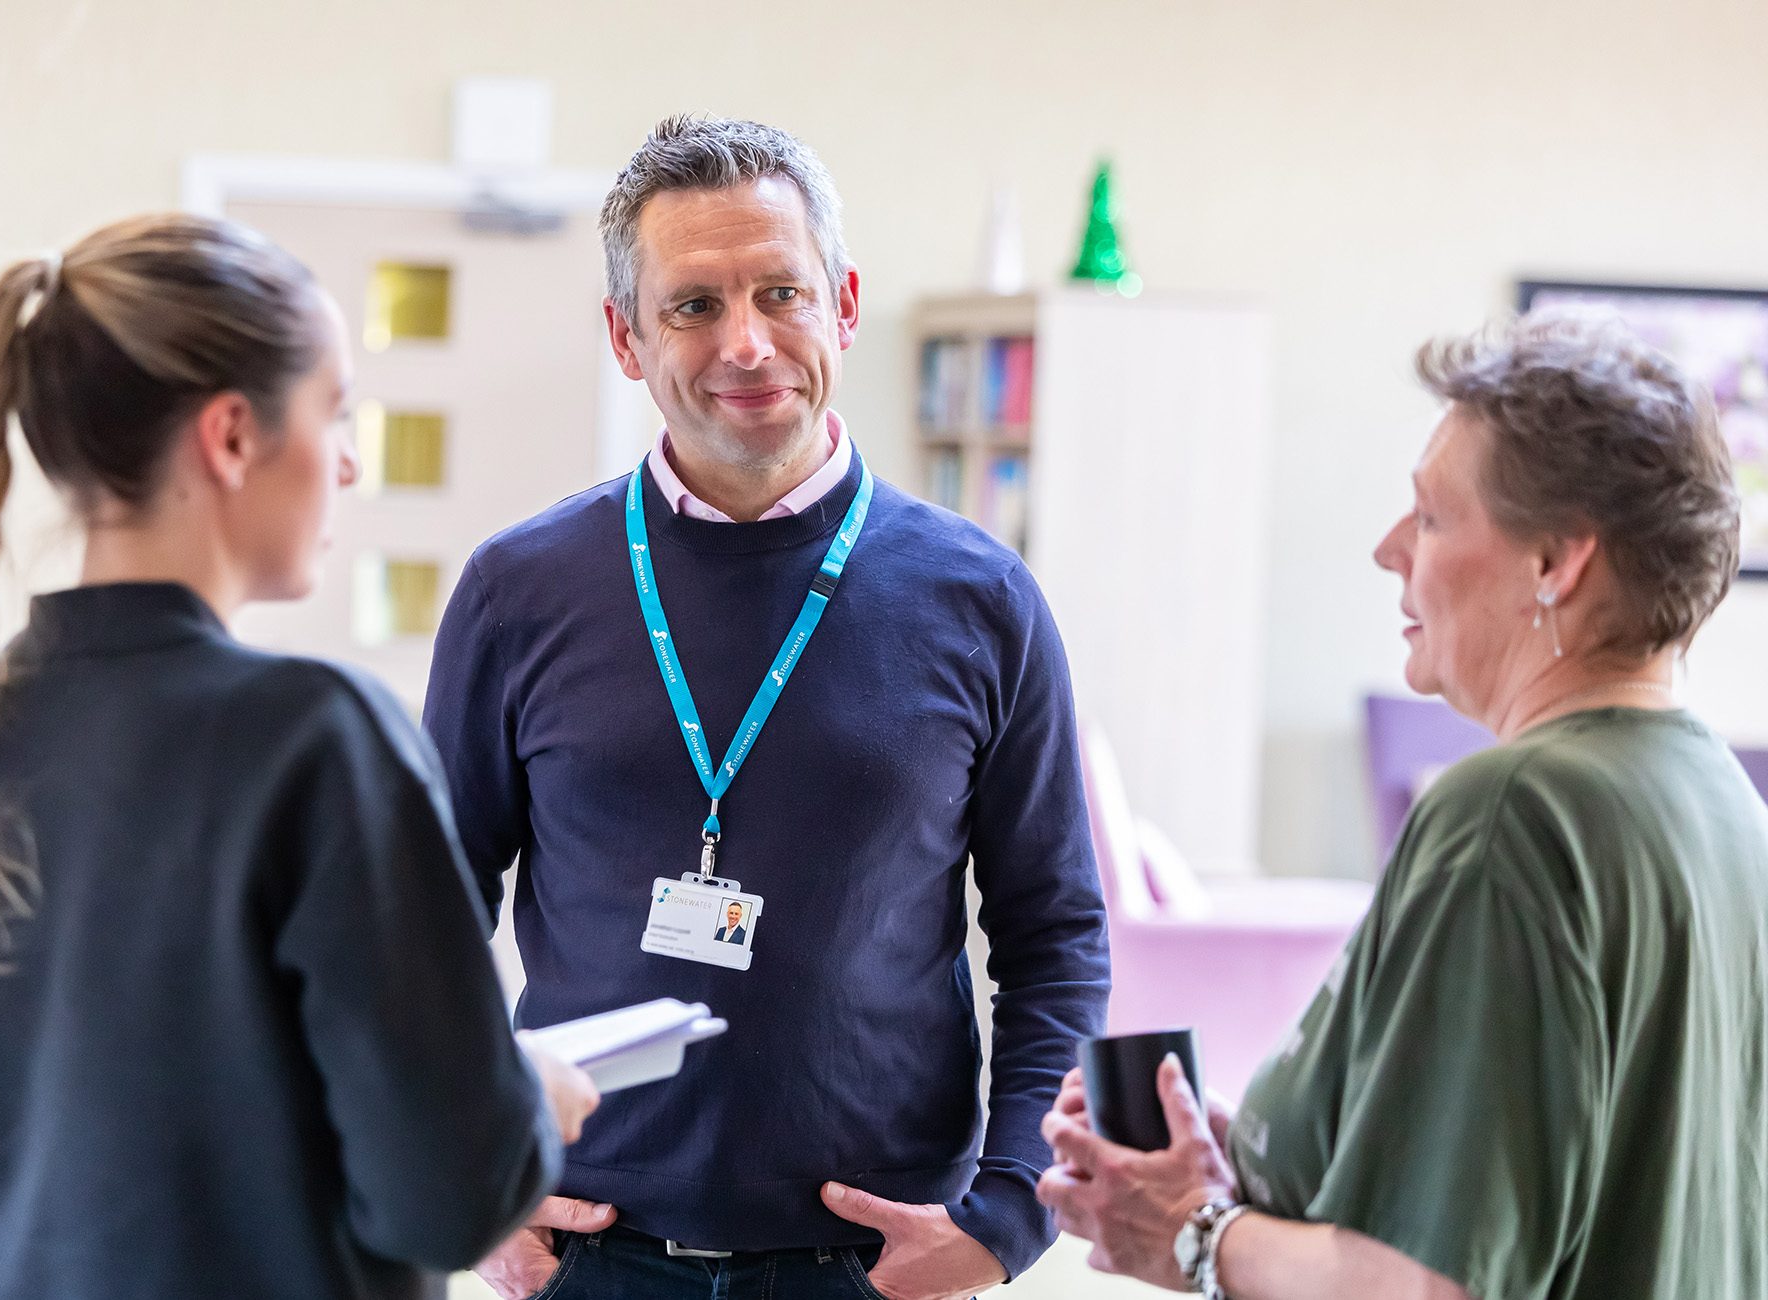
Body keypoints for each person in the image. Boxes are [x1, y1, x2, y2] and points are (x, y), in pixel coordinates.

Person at [0, 214, 599, 1300]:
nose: (351, 461)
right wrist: (527, 1101)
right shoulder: (317, 744)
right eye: (335, 413)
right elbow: (450, 1198)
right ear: (230, 437)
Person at [424, 115, 1109, 1300]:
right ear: (625, 337)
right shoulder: (517, 590)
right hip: (589, 1259)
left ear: (841, 305)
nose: (746, 343)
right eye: (693, 305)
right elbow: (421, 917)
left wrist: (1004, 1215)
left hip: (874, 1266)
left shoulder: (981, 599)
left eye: (780, 292)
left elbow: (1053, 934)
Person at [1037, 311, 1768, 1299]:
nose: (1389, 549)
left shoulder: (1512, 814)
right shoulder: (1724, 804)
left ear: (1554, 562)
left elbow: (1423, 1285)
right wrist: (1256, 1169)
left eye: (1428, 516)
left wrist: (1191, 1231)